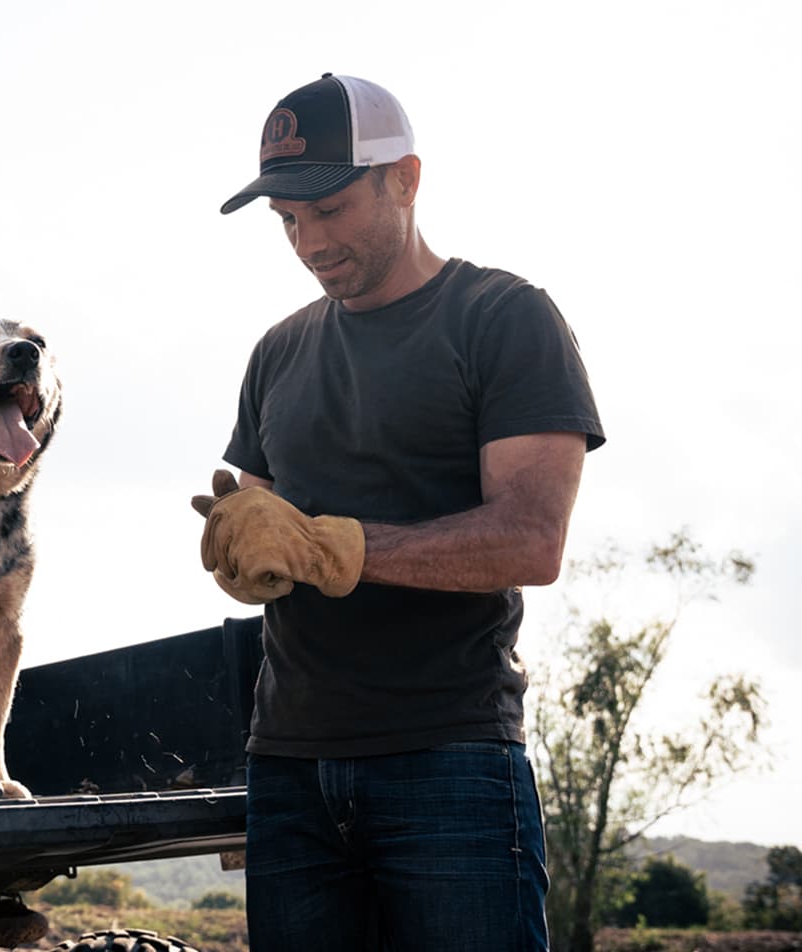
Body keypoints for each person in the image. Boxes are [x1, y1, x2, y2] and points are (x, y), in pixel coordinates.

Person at [204, 73, 605, 950]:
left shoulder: (504, 319)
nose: (309, 242)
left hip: (450, 760)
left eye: (332, 209)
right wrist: (244, 545)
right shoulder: (277, 351)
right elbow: (270, 537)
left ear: (406, 178)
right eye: (287, 221)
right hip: (288, 765)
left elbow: (532, 541)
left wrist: (336, 547)